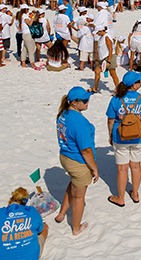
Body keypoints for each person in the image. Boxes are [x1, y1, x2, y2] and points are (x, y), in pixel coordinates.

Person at [106, 72, 141, 206]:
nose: (140, 83)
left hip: (120, 136)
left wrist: (110, 135)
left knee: (122, 169)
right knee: (135, 165)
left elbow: (110, 120)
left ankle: (121, 197)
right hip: (139, 137)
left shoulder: (116, 99)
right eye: (139, 81)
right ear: (134, 85)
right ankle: (135, 193)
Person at [53, 87, 99, 235]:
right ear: (74, 102)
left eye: (88, 99)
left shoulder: (63, 114)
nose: (87, 103)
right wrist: (94, 169)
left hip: (65, 156)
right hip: (78, 161)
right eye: (84, 101)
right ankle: (76, 228)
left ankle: (61, 213)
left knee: (73, 183)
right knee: (79, 196)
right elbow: (86, 151)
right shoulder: (80, 123)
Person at [0, 187, 48, 259]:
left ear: (10, 200)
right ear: (24, 205)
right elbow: (40, 230)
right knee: (44, 227)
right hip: (31, 257)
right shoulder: (32, 211)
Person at [90, 26, 119, 93]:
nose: (96, 33)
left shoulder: (106, 37)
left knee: (113, 74)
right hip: (103, 58)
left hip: (109, 57)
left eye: (97, 32)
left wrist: (109, 60)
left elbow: (111, 49)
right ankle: (95, 88)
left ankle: (117, 90)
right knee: (97, 71)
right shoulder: (102, 37)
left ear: (101, 31)